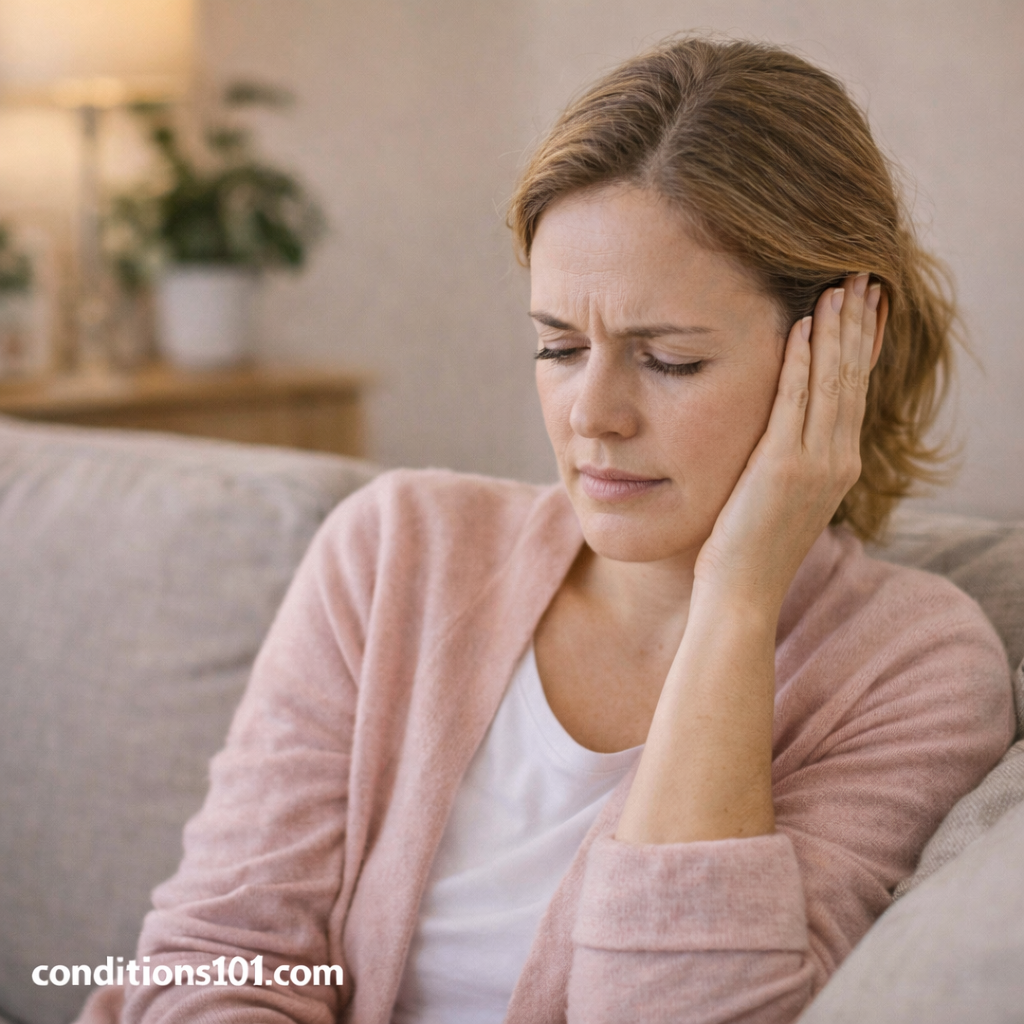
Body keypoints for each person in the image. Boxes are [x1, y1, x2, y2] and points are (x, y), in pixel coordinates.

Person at [76, 35, 1013, 1024]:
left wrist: (735, 601)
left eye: (669, 359)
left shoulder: (913, 669)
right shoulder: (396, 550)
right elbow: (216, 955)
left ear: (838, 353)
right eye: (559, 346)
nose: (590, 414)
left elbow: (683, 1008)